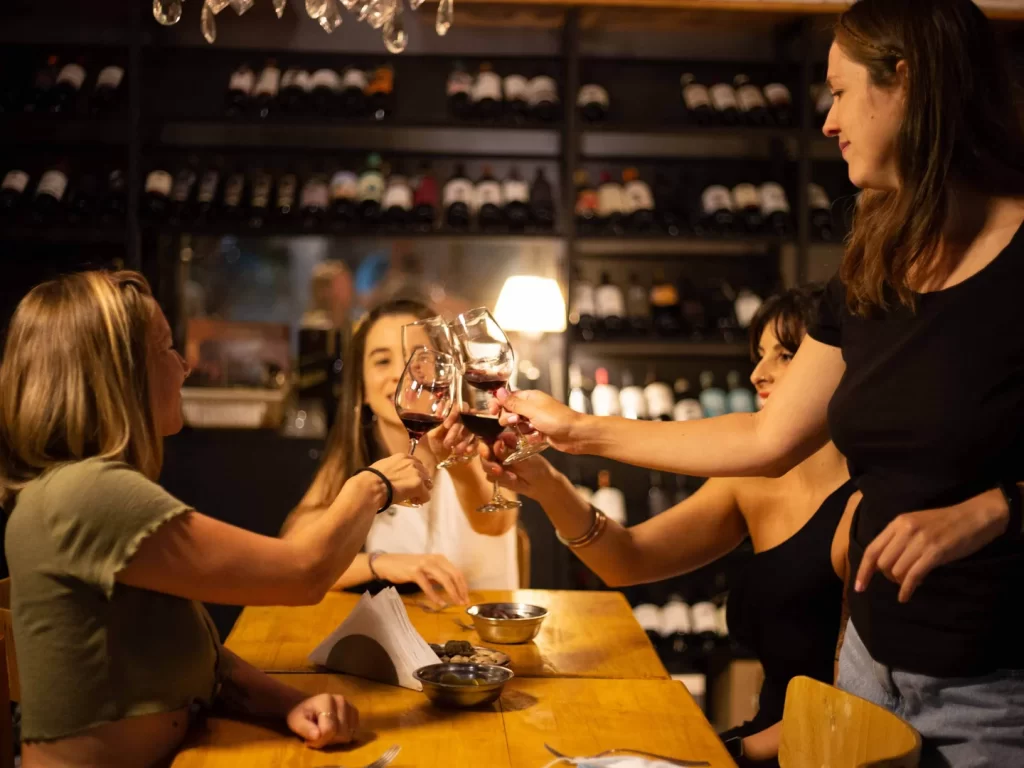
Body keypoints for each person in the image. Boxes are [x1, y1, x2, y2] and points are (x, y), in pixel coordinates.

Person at [495, 1, 1024, 762]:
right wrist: (576, 429)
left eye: (840, 92)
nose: (827, 122)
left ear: (903, 81)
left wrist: (997, 508)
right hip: (869, 672)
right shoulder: (873, 265)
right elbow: (767, 437)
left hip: (994, 692)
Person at [0, 271, 432, 768]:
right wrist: (373, 484)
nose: (183, 366)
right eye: (165, 348)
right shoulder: (85, 496)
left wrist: (288, 702)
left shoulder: (89, 491)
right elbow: (302, 573)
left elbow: (200, 652)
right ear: (117, 372)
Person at [486, 287, 859, 766]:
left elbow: (853, 705)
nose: (757, 373)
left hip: (817, 751)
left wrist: (715, 750)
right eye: (758, 354)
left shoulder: (871, 501)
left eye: (785, 355)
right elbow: (629, 559)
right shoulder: (749, 485)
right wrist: (548, 486)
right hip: (757, 743)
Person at [281, 299, 520, 606]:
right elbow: (293, 554)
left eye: (418, 357)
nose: (402, 372)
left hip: (487, 637)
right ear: (363, 389)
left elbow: (497, 522)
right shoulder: (358, 459)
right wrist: (379, 563)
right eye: (382, 361)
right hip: (406, 639)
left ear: (446, 372)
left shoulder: (479, 442)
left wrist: (459, 463)